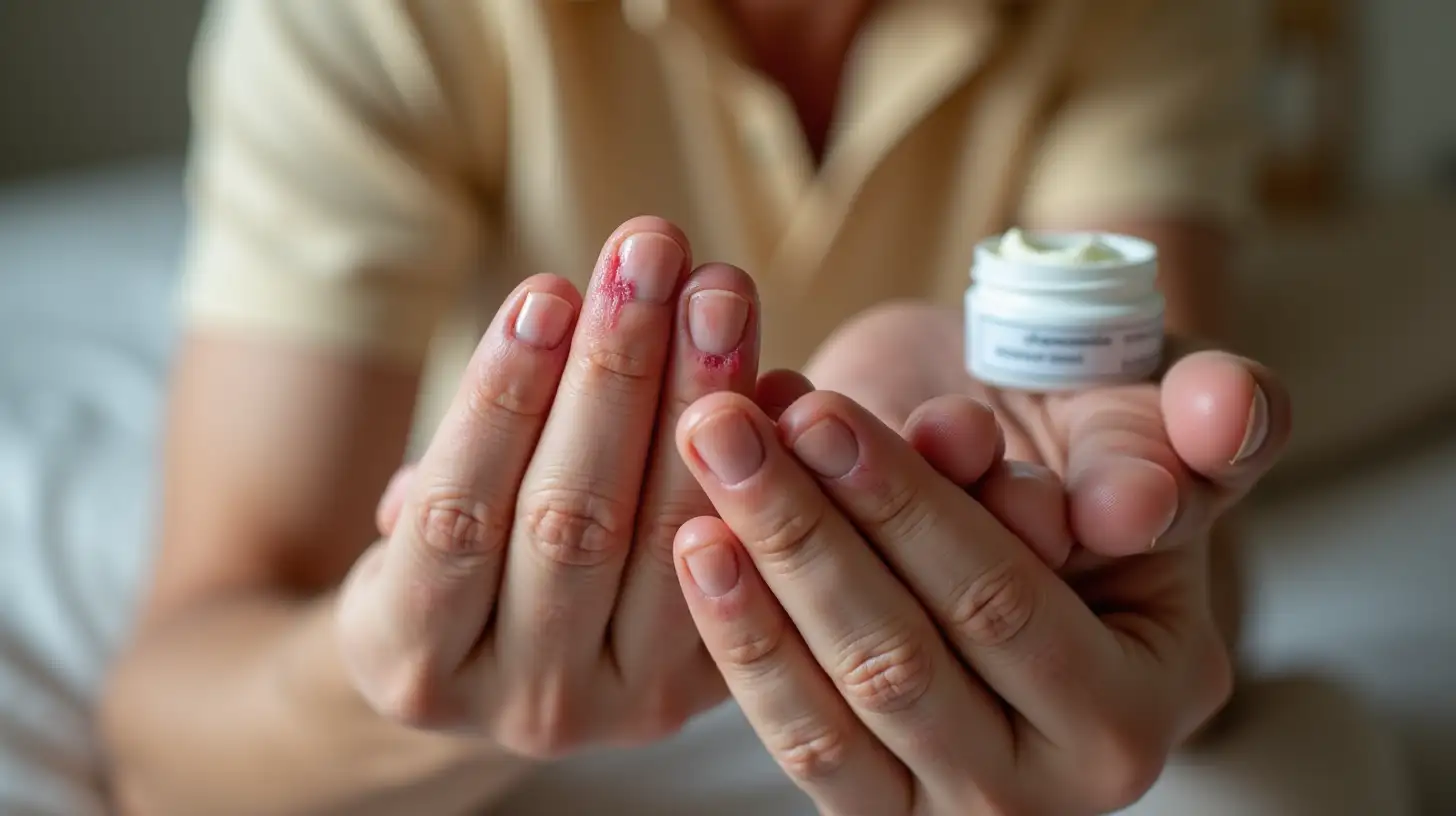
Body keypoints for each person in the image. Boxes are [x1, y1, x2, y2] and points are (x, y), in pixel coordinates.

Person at [99, 1, 1409, 814]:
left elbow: (1159, 486)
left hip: (966, 401)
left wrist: (1142, 578)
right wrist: (393, 676)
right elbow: (169, 726)